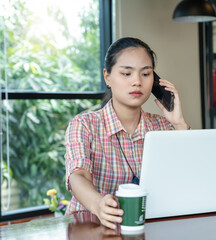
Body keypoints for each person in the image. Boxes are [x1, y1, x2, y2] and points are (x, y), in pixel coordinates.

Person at [65, 37, 190, 229]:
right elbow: (78, 175)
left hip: (145, 227)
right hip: (90, 227)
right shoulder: (84, 125)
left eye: (146, 74)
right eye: (126, 73)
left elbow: (187, 174)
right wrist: (98, 204)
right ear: (107, 77)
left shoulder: (162, 126)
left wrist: (179, 123)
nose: (137, 82)